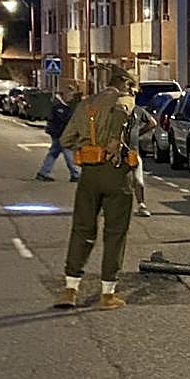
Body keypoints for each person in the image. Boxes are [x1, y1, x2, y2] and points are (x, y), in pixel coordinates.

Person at [52, 66, 140, 311]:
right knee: (114, 234)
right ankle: (107, 294)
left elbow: (65, 140)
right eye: (131, 85)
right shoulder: (124, 102)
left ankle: (70, 288)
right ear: (123, 83)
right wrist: (114, 142)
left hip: (89, 174)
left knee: (82, 229)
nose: (132, 90)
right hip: (116, 174)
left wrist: (88, 147)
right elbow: (126, 122)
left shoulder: (85, 105)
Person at [36, 81, 81, 182]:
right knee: (68, 152)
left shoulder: (64, 106)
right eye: (70, 94)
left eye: (72, 95)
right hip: (60, 134)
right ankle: (76, 174)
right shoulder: (59, 107)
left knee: (53, 153)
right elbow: (62, 121)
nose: (71, 97)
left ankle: (43, 173)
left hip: (59, 133)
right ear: (64, 94)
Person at [127, 103, 158, 218]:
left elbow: (152, 123)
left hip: (132, 151)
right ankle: (140, 205)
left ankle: (141, 204)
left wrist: (138, 133)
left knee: (137, 179)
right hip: (123, 150)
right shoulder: (115, 110)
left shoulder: (137, 110)